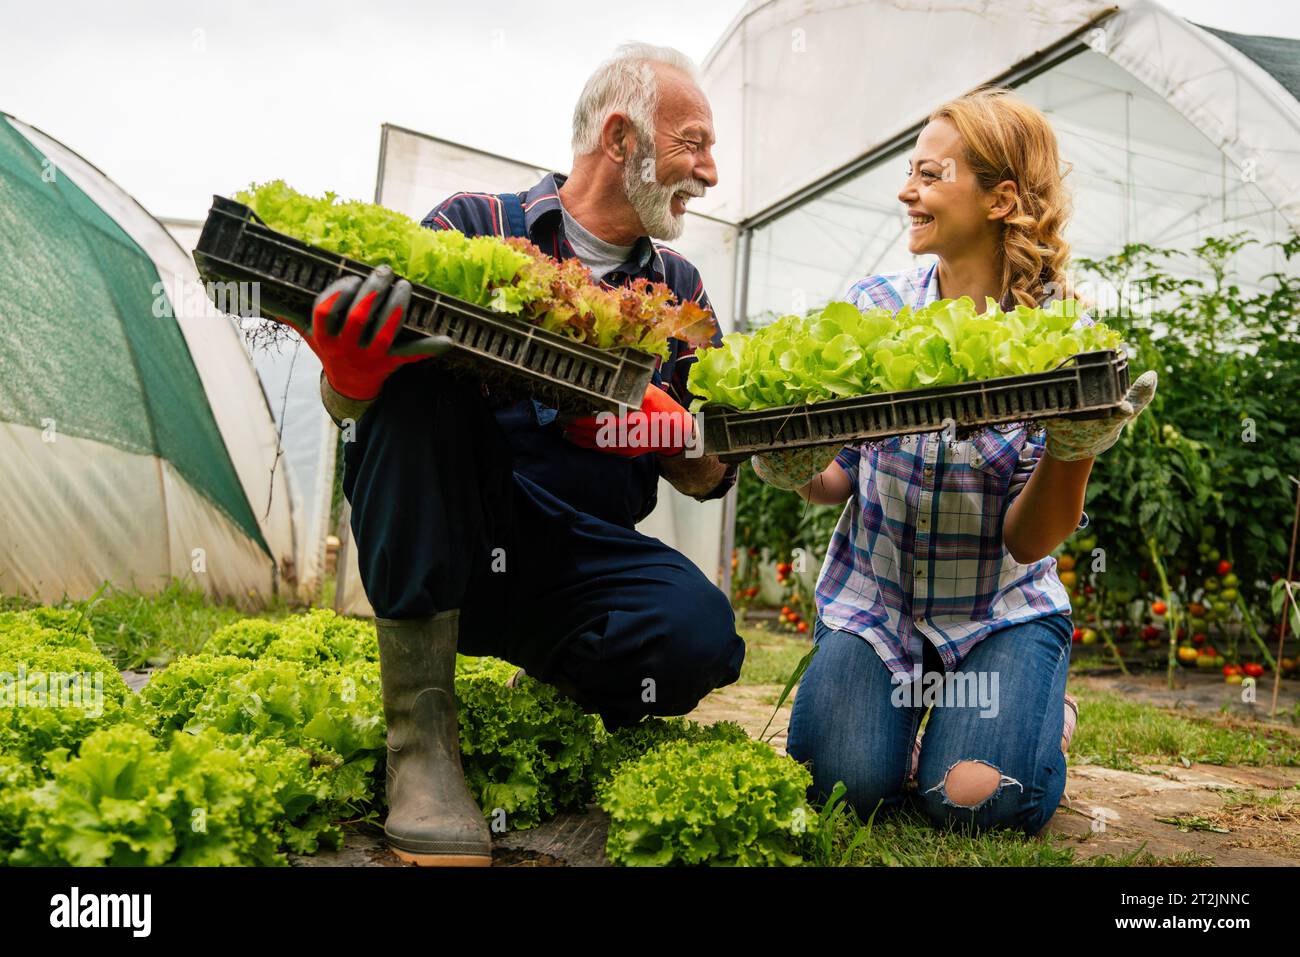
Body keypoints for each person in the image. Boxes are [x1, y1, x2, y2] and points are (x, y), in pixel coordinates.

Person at [299, 44, 744, 865]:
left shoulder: (680, 286)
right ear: (620, 139)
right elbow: (359, 415)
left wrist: (673, 434)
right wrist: (351, 378)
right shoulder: (473, 224)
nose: (710, 171)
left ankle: (554, 681)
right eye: (694, 142)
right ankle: (423, 739)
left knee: (699, 632)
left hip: (579, 562)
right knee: (416, 377)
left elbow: (716, 469)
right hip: (457, 537)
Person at [751, 87, 1157, 836]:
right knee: (842, 786)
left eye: (931, 174)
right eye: (911, 172)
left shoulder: (1061, 340)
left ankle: (1038, 715)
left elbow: (1028, 541)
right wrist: (794, 462)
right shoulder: (873, 310)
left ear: (1002, 198)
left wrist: (1073, 447)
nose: (907, 190)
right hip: (877, 610)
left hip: (998, 613)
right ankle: (908, 729)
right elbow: (836, 475)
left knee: (980, 801)